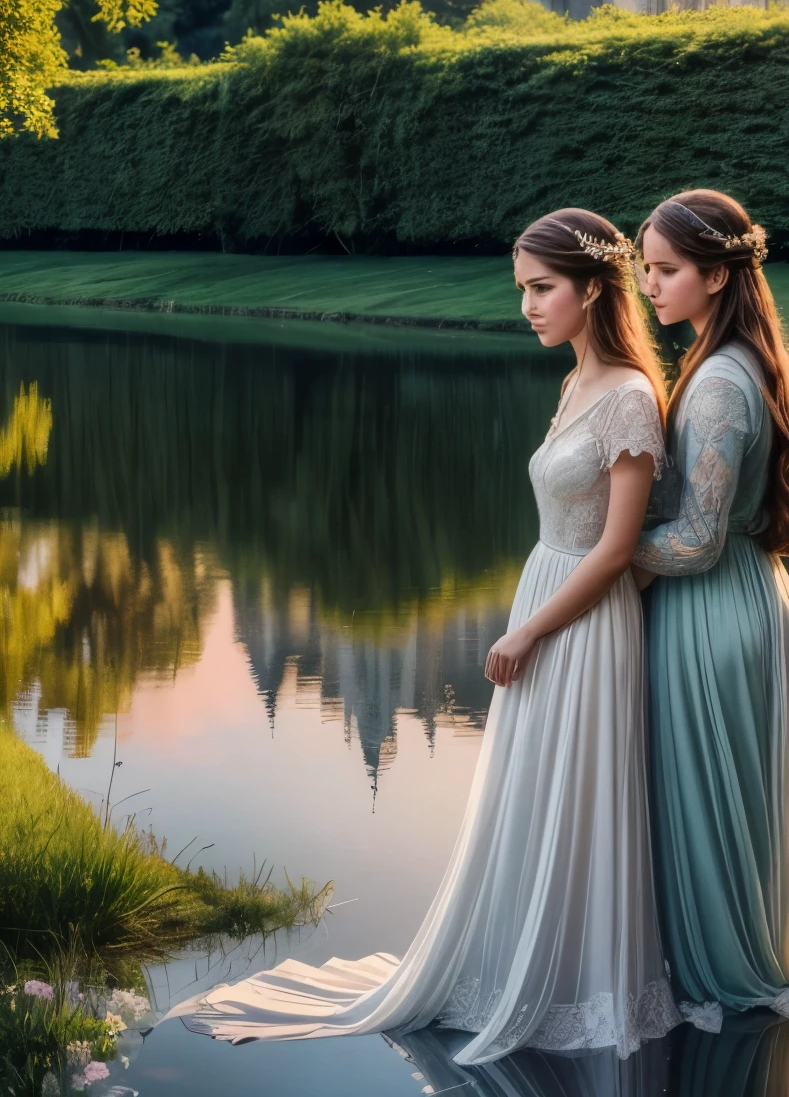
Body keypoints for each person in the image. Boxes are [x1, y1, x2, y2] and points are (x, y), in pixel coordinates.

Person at [168, 208, 679, 1066]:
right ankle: (527, 960)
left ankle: (578, 981)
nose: (527, 306)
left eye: (542, 288)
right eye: (521, 290)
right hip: (547, 590)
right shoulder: (576, 383)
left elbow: (620, 548)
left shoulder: (629, 394)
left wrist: (525, 635)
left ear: (593, 289)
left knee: (577, 794)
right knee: (534, 795)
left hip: (582, 619)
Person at [632, 190, 789, 1033]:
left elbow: (696, 541)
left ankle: (727, 967)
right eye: (644, 268)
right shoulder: (737, 358)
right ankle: (748, 947)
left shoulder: (717, 385)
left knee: (709, 801)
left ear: (715, 273)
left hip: (711, 613)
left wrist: (593, 565)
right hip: (751, 600)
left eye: (665, 270)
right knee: (737, 802)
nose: (648, 285)